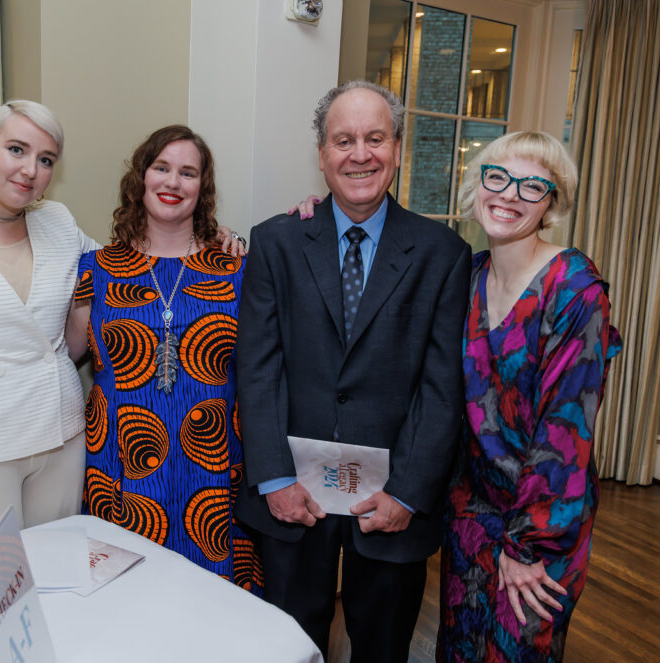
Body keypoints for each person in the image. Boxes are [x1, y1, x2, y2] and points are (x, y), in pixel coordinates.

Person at [0, 103, 243, 558]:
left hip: (62, 443)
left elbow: (135, 264)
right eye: (16, 149)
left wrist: (217, 237)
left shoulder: (57, 223)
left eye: (46, 159)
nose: (30, 169)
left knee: (66, 585)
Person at [236, 80, 471, 661]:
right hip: (293, 499)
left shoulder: (444, 254)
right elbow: (258, 368)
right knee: (287, 646)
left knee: (384, 648)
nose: (359, 154)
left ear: (397, 147)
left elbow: (442, 388)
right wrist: (273, 480)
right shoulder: (276, 242)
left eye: (374, 138)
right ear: (321, 154)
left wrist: (409, 494)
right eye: (343, 140)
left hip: (391, 505)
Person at [436, 131, 622, 662]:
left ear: (551, 204)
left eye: (532, 185)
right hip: (471, 509)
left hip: (543, 521)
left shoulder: (574, 287)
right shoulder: (467, 277)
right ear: (477, 188)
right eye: (498, 178)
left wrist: (526, 547)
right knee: (460, 647)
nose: (509, 195)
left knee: (517, 651)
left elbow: (568, 427)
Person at [65, 125, 262, 593]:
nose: (173, 182)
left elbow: (262, 372)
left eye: (188, 173)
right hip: (123, 467)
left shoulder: (237, 268)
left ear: (202, 188)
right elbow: (66, 355)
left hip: (212, 467)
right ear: (141, 178)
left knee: (212, 606)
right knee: (127, 598)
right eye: (162, 168)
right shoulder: (96, 268)